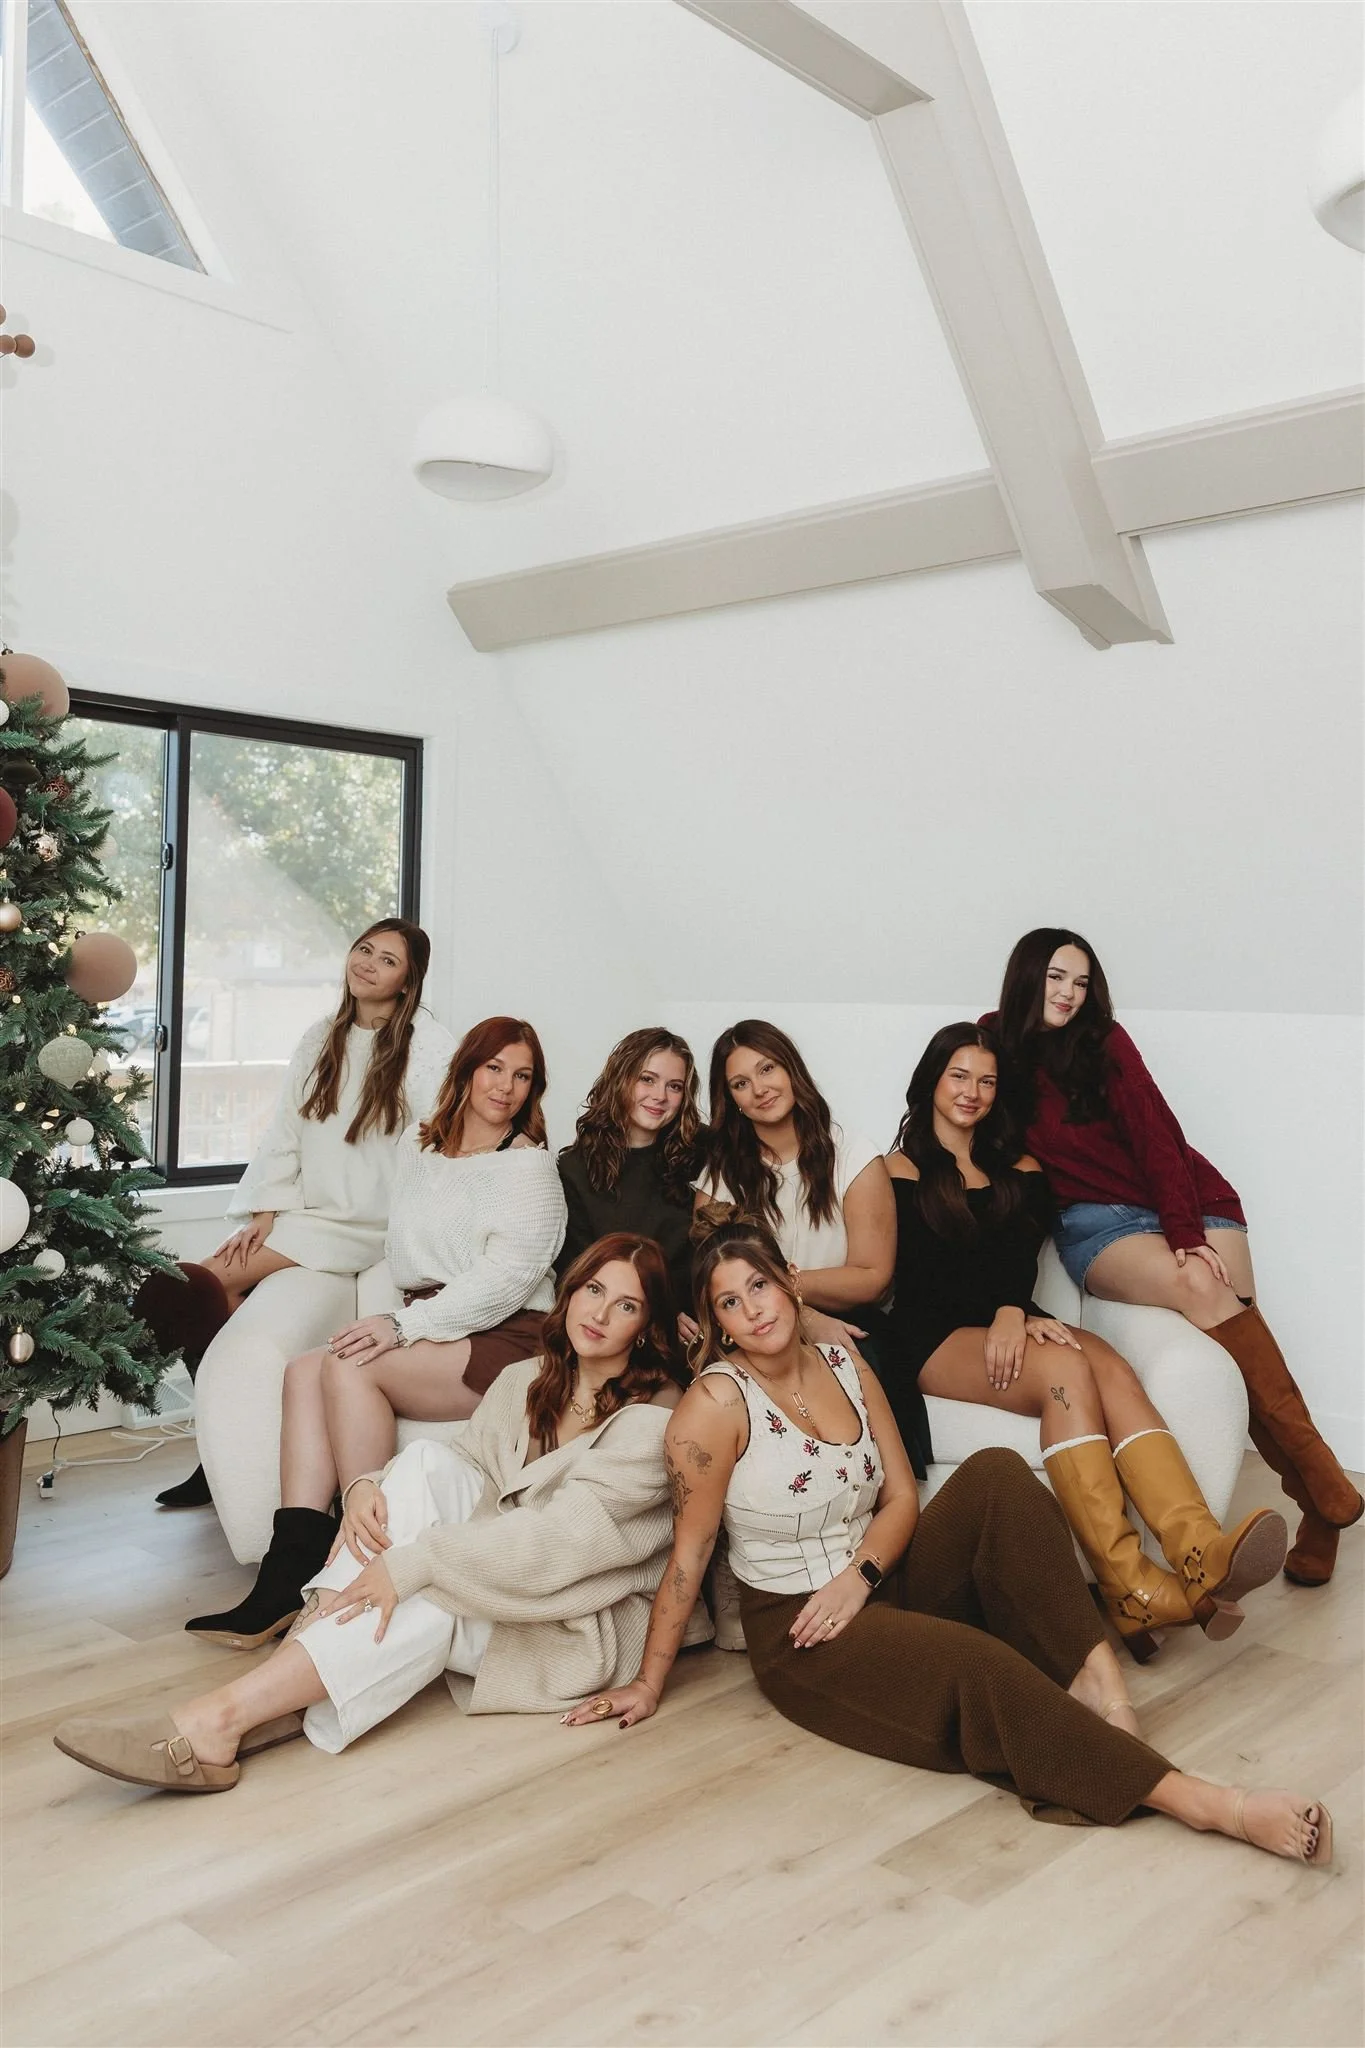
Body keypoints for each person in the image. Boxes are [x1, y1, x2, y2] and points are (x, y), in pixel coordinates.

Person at [568, 1221, 1333, 1871]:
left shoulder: (843, 1363)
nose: (751, 1310)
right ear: (717, 1322)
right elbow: (689, 1556)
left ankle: (1106, 1696)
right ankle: (1207, 1804)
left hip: (870, 1579)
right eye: (728, 1303)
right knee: (981, 1664)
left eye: (758, 1287)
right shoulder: (712, 1405)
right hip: (803, 1631)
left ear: (790, 1283)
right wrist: (647, 1681)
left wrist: (861, 1575)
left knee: (997, 1474)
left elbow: (902, 1498)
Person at [53, 1237, 690, 1793]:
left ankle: (219, 1721)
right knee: (417, 1470)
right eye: (593, 1290)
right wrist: (365, 1485)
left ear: (648, 1324)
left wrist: (412, 1564)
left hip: (568, 1616)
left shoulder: (655, 1420)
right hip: (498, 1567)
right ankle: (294, 1671)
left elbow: (558, 1545)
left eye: (627, 1304)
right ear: (571, 1293)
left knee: (429, 1595)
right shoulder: (529, 1378)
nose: (601, 1314)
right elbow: (459, 1468)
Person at [887, 1023, 1285, 1660]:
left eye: (987, 1081)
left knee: (1111, 1367)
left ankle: (1198, 1549)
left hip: (1011, 1314)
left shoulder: (1018, 1166)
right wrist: (1005, 1315)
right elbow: (916, 1279)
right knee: (1064, 1375)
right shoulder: (895, 1173)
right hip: (932, 1334)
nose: (973, 1092)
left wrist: (1015, 1310)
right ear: (931, 1079)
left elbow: (1016, 1261)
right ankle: (1128, 1584)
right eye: (959, 1076)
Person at [989, 929, 1362, 1587]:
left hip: (1189, 1197)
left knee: (1238, 1329)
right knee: (1201, 1289)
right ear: (1025, 976)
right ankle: (1327, 1481)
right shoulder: (991, 1044)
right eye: (1054, 977)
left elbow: (1157, 1133)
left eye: (1079, 982)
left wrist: (1184, 1228)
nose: (1068, 994)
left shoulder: (1102, 1041)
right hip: (1094, 1224)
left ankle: (1319, 1511)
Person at [180, 1016, 567, 1647]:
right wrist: (277, 1218)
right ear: (467, 1071)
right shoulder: (422, 1148)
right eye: (495, 1067)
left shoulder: (528, 1169)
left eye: (523, 1076)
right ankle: (288, 1571)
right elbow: (407, 1252)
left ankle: (360, 1558)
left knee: (348, 1364)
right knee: (305, 1369)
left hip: (510, 1334)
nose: (506, 1086)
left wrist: (403, 1324)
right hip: (434, 1323)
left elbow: (508, 1280)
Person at [135, 919, 454, 1509]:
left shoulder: (429, 1048)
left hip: (375, 1225)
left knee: (191, 1287)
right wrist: (266, 1209)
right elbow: (285, 1129)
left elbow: (442, 1143)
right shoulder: (321, 1037)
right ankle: (223, 1447)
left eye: (387, 961)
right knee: (190, 1289)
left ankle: (217, 1456)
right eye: (364, 950)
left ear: (408, 982)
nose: (368, 964)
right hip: (310, 1215)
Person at [693, 1019, 923, 1471]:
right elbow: (711, 1276)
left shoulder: (854, 1155)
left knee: (866, 1351)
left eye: (767, 1069)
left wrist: (788, 1296)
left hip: (850, 1319)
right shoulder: (721, 1177)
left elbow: (872, 1279)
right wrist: (801, 1313)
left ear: (792, 1070)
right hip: (751, 1322)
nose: (759, 1089)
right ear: (731, 1101)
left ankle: (895, 1494)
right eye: (741, 1083)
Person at [557, 1028, 702, 1321]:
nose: (660, 1096)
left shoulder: (700, 1153)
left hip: (695, 1324)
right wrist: (657, 1314)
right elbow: (574, 1275)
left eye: (674, 1086)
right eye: (647, 1079)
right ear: (621, 1079)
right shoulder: (575, 1169)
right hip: (612, 1321)